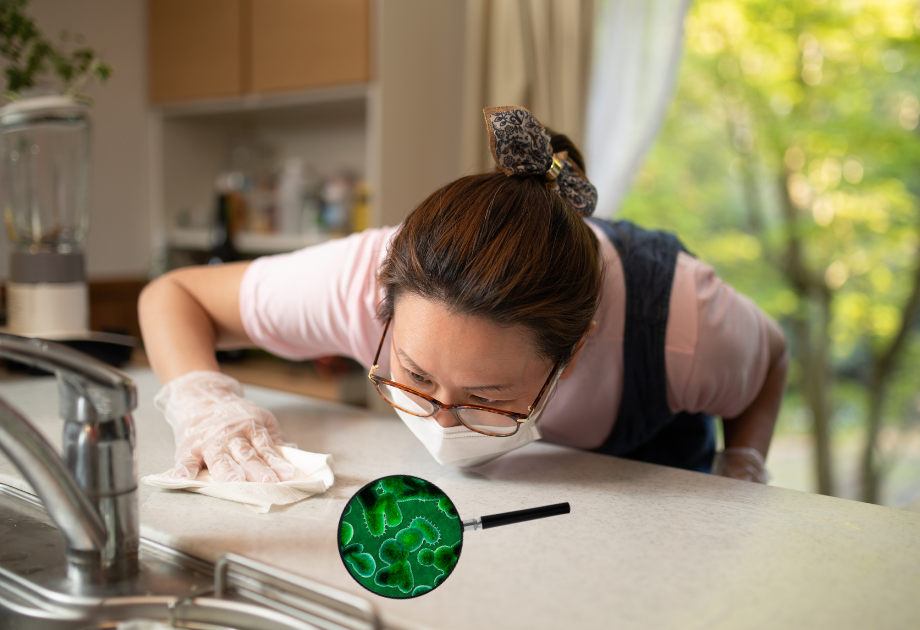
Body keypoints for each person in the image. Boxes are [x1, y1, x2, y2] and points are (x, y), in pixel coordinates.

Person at [139, 106, 788, 486]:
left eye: (487, 399)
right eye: (415, 377)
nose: (442, 422)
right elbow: (175, 297)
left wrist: (744, 462)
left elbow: (772, 361)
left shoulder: (684, 324)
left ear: (579, 345)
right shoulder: (368, 273)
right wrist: (205, 405)